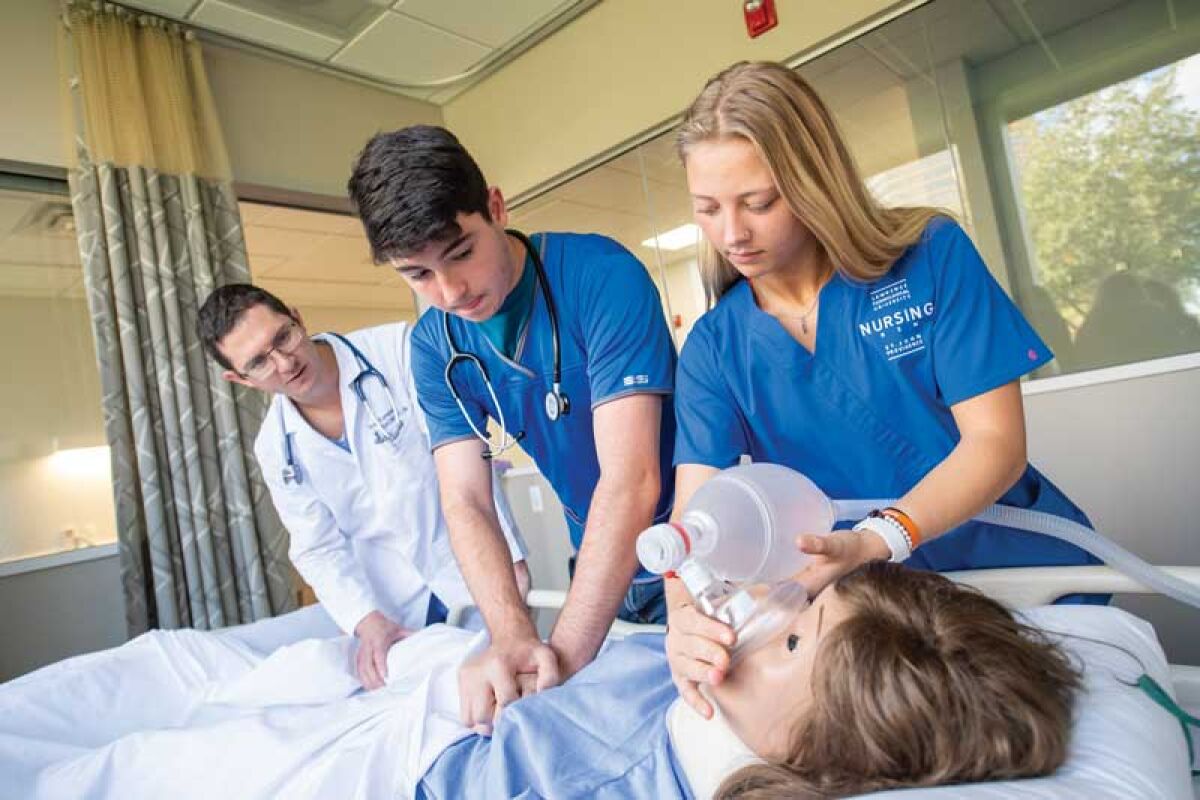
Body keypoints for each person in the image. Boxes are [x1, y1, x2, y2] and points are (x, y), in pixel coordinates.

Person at [662, 61, 1103, 718]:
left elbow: (996, 443)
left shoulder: (930, 256)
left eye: (758, 202)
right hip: (880, 613)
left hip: (1020, 573)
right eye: (708, 209)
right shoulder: (715, 347)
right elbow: (690, 520)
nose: (733, 234)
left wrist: (878, 536)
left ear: (813, 182)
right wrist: (683, 622)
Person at [1, 563, 1083, 799]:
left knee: (112, 768)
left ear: (816, 750)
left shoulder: (660, 770)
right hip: (434, 682)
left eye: (795, 642)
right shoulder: (695, 678)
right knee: (193, 676)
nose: (766, 619)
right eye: (803, 607)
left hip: (389, 763)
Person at [346, 126, 678, 727]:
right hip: (604, 564)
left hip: (692, 545)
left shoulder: (599, 276)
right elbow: (466, 499)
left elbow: (632, 480)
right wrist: (512, 636)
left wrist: (560, 667)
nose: (449, 292)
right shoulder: (435, 344)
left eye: (461, 253)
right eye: (417, 275)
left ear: (495, 208)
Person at [197, 284, 528, 688]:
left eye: (283, 337)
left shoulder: (400, 351)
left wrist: (508, 560)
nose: (284, 363)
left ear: (297, 318)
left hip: (473, 569)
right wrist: (367, 621)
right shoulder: (274, 447)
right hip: (395, 613)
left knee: (514, 685)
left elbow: (469, 466)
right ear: (240, 379)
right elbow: (317, 547)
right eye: (259, 362)